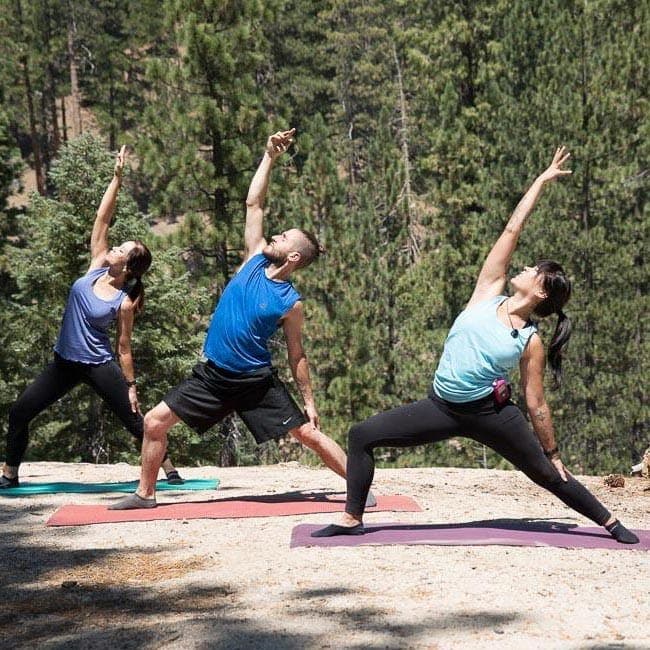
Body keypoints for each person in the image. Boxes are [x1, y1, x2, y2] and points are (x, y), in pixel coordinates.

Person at [314, 147, 638, 544]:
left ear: (539, 290)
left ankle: (609, 522)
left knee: (549, 475)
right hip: (441, 407)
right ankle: (352, 518)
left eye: (533, 270)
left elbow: (536, 402)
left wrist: (552, 452)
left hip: (493, 415)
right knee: (362, 434)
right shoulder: (488, 292)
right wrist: (539, 182)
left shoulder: (530, 340)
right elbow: (510, 232)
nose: (525, 267)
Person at [110, 129, 374, 509]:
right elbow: (254, 204)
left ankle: (358, 488)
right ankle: (145, 494)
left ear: (293, 257)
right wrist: (269, 156)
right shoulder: (253, 260)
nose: (275, 237)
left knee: (309, 434)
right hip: (213, 376)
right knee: (154, 422)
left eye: (283, 237)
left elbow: (297, 355)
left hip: (255, 383)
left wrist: (309, 401)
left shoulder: (291, 302)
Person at [1, 146, 183, 488]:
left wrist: (130, 387)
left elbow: (124, 348)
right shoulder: (95, 266)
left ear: (126, 267)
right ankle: (9, 474)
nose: (113, 248)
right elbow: (102, 219)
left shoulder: (123, 301)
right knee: (20, 412)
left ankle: (169, 470)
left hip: (98, 365)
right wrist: (116, 177)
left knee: (134, 420)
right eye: (116, 245)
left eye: (121, 250)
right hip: (64, 363)